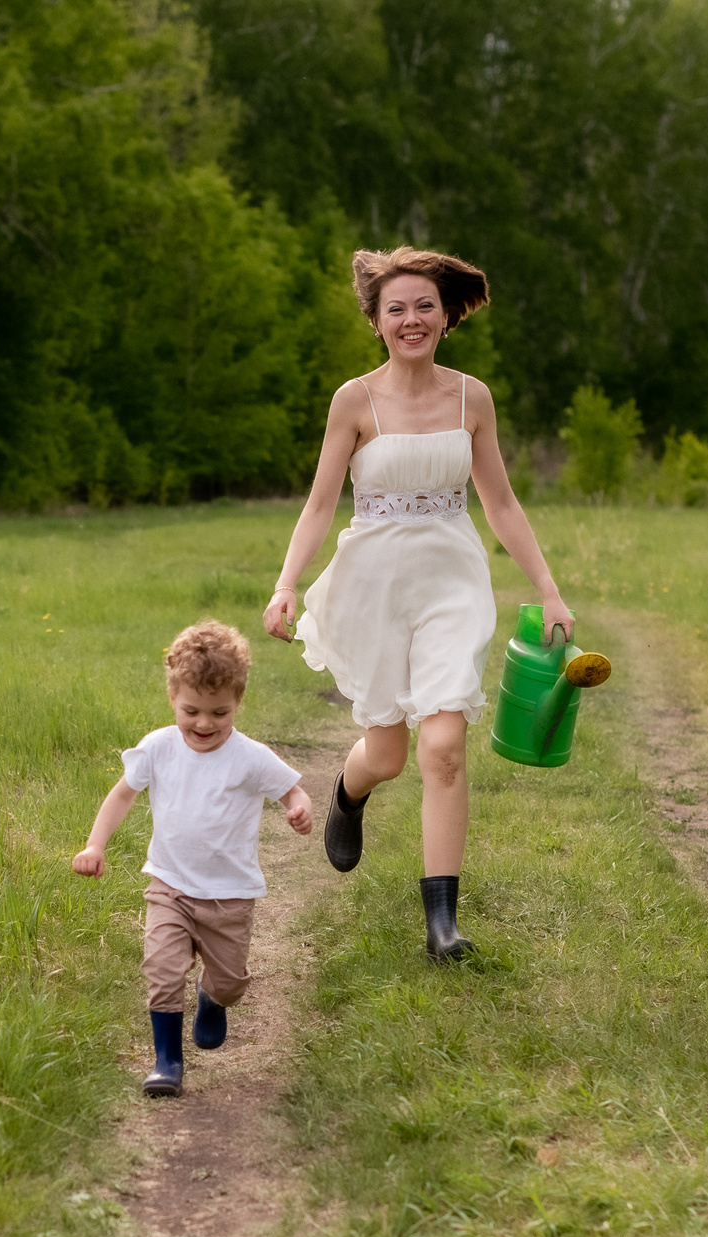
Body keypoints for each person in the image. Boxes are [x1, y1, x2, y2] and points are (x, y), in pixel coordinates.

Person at [261, 247, 575, 962]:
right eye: (396, 308)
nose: (412, 319)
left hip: (451, 580)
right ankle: (347, 791)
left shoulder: (473, 399)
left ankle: (442, 924)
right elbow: (318, 507)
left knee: (443, 747)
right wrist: (285, 583)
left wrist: (549, 589)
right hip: (372, 581)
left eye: (424, 307)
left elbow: (498, 500)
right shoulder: (354, 401)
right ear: (376, 321)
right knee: (390, 752)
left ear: (444, 317)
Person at [72, 621, 315, 1097]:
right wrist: (94, 844)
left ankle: (212, 998)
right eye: (192, 711)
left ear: (237, 703)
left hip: (230, 897)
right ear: (173, 698)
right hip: (170, 886)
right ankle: (167, 1062)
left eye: (218, 712)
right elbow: (122, 795)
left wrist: (298, 808)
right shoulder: (158, 747)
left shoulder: (251, 756)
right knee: (161, 972)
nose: (204, 724)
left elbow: (291, 790)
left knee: (230, 983)